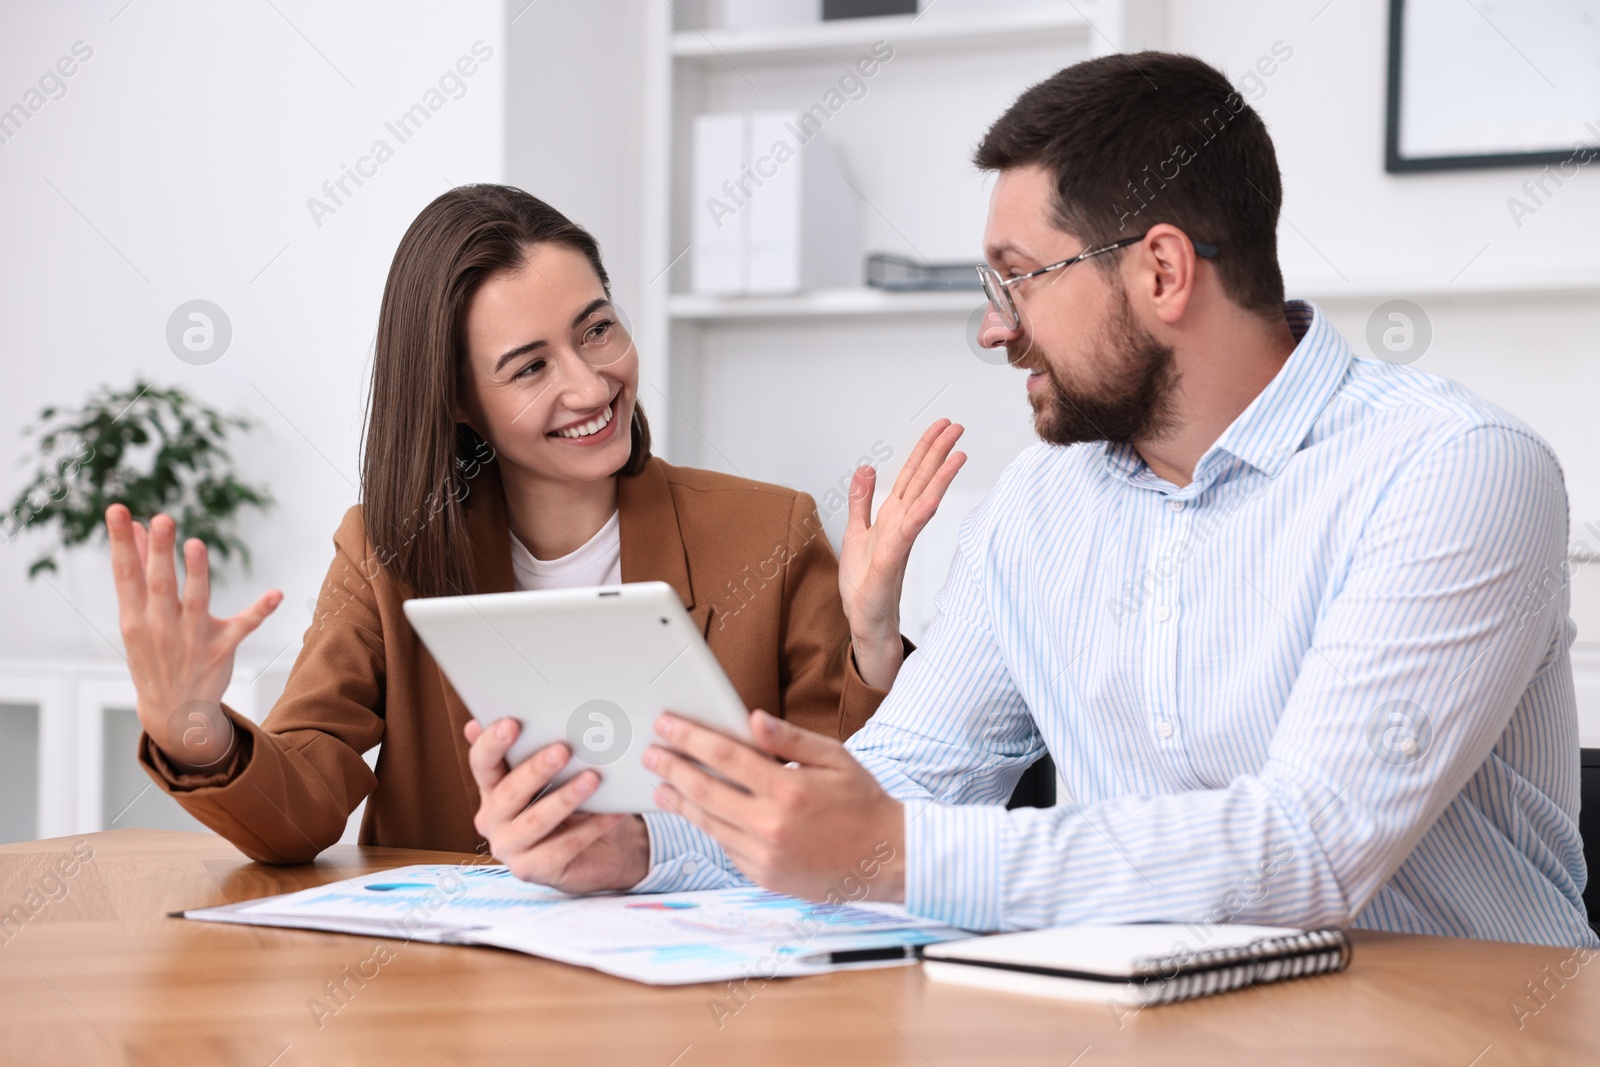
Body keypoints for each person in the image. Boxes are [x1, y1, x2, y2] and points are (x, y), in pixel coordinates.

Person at [471, 52, 1596, 948]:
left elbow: (1308, 850)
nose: (992, 326)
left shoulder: (1454, 470)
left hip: (1462, 1034)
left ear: (1160, 272)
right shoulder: (1042, 501)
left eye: (1016, 279)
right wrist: (639, 841)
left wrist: (895, 853)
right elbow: (905, 778)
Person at [105, 184, 964, 865]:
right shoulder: (386, 550)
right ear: (459, 403)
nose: (591, 386)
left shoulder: (767, 533)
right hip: (461, 995)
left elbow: (853, 811)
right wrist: (200, 731)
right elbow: (302, 807)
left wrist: (874, 641)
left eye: (598, 330)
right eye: (529, 368)